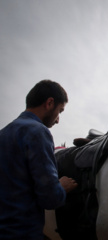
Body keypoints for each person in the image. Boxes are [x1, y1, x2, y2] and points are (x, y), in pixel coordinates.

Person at [0, 80, 78, 240]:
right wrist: (61, 187)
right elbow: (50, 198)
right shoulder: (38, 133)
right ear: (49, 103)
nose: (57, 120)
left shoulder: (4, 133)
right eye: (60, 111)